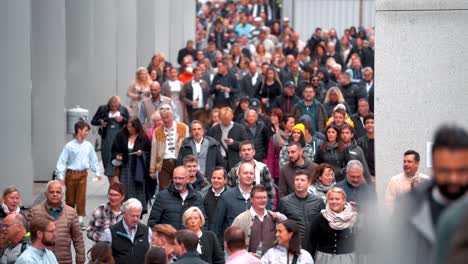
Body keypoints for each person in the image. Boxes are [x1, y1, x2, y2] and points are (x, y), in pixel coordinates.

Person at [393, 125, 468, 264]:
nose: (454, 178)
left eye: (462, 171)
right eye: (445, 170)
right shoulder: (408, 209)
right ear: (433, 165)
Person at [55, 120, 101, 226]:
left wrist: (97, 172)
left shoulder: (88, 146)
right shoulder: (69, 146)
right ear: (79, 130)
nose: (86, 133)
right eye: (85, 130)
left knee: (81, 197)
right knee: (70, 198)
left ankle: (80, 220)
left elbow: (93, 159)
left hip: (83, 174)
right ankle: (70, 218)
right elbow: (62, 161)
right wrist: (60, 175)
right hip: (71, 174)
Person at [28, 180, 85, 264]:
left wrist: (80, 260)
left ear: (62, 195)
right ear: (46, 194)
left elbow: (78, 239)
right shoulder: (34, 212)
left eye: (58, 192)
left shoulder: (71, 212)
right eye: (51, 192)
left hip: (64, 260)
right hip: (41, 260)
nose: (55, 194)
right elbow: (28, 236)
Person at [305, 187, 357, 264]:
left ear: (344, 200)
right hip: (324, 259)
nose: (334, 201)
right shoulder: (320, 218)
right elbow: (311, 242)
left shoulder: (353, 218)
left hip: (347, 259)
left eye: (337, 199)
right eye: (331, 199)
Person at [232, 185, 287, 256]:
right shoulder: (241, 219)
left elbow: (289, 228)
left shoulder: (274, 217)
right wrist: (246, 255)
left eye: (264, 197)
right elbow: (232, 243)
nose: (262, 200)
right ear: (251, 199)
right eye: (259, 198)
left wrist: (280, 216)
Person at [112, 117, 152, 213]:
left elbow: (149, 152)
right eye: (128, 127)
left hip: (138, 169)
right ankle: (125, 211)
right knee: (125, 188)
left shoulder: (143, 138)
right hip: (125, 168)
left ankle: (137, 212)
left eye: (132, 127)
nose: (130, 129)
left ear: (137, 127)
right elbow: (114, 150)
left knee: (138, 189)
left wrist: (141, 153)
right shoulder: (121, 136)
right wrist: (117, 156)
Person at [279, 171, 325, 246]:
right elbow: (282, 225)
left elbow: (322, 224)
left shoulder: (318, 202)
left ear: (309, 183)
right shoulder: (285, 202)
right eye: (297, 180)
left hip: (314, 242)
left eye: (302, 180)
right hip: (293, 242)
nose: (299, 182)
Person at [150, 104, 189, 190]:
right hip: (164, 162)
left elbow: (187, 147)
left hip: (179, 161)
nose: (166, 120)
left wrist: (188, 163)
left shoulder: (183, 127)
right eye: (163, 118)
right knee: (164, 188)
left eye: (168, 117)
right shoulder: (157, 131)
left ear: (172, 115)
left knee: (180, 186)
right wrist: (152, 169)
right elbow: (154, 150)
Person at [100, 198, 152, 264]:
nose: (135, 219)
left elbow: (150, 256)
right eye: (132, 216)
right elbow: (102, 258)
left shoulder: (147, 231)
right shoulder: (110, 233)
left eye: (138, 216)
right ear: (124, 214)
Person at [91, 96, 129, 184]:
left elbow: (129, 121)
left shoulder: (123, 109)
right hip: (107, 137)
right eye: (112, 106)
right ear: (109, 104)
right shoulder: (103, 108)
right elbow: (93, 121)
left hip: (119, 138)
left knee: (119, 159)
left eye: (116, 106)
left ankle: (117, 183)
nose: (114, 108)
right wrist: (101, 122)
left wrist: (122, 119)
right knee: (108, 160)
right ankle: (111, 184)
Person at [213, 162, 255, 239]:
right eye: (245, 173)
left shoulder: (259, 196)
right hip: (231, 245)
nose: (248, 176)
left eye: (251, 173)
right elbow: (217, 225)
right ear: (238, 175)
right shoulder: (226, 197)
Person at [227, 141, 275, 208]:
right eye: (244, 150)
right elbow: (229, 195)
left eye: (249, 150)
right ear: (240, 153)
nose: (246, 152)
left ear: (254, 152)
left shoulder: (263, 169)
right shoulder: (233, 172)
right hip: (240, 208)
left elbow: (270, 194)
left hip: (260, 209)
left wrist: (270, 210)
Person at [0, 187, 25, 251]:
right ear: (4, 199)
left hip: (16, 249)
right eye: (12, 198)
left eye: (17, 198)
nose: (15, 201)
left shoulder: (22, 215)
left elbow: (27, 233)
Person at [357, 114, 375, 180]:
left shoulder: (381, 141)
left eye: (372, 122)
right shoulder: (359, 142)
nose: (370, 125)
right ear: (364, 125)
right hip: (365, 177)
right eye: (367, 123)